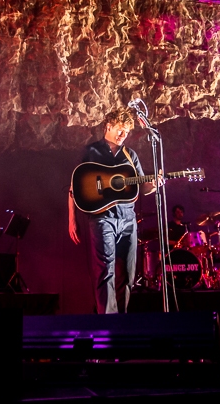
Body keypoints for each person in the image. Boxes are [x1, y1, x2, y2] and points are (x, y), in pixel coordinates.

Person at [69, 107, 163, 313]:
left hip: (128, 220)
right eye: (120, 130)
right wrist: (72, 219)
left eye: (127, 132)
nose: (123, 135)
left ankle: (122, 321)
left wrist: (154, 184)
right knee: (105, 272)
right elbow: (74, 187)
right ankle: (108, 323)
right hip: (102, 218)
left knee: (128, 274)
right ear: (108, 127)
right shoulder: (90, 152)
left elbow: (141, 186)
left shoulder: (130, 155)